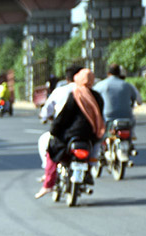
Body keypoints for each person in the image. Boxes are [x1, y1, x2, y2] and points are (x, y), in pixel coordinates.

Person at [36, 68, 105, 199]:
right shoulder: (97, 96)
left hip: (71, 134)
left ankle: (48, 184)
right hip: (90, 134)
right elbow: (100, 116)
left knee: (52, 150)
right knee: (96, 148)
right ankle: (89, 172)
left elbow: (64, 116)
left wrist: (54, 130)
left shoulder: (75, 94)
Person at [93, 63, 141, 136]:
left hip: (107, 117)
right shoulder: (127, 85)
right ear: (119, 73)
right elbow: (135, 99)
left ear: (108, 73)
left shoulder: (101, 85)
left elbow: (93, 98)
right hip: (127, 116)